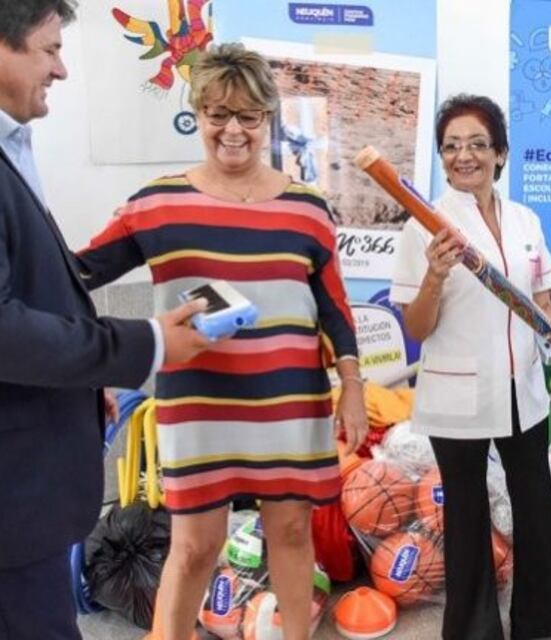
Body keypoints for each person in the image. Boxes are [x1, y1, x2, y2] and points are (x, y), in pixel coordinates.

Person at [74, 44, 369, 640]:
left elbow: (335, 309)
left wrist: (354, 386)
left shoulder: (307, 208)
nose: (232, 130)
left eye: (248, 116)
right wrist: (95, 358)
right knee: (195, 547)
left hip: (290, 403)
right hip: (199, 405)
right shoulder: (156, 204)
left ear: (268, 120)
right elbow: (75, 276)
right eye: (217, 113)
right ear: (198, 114)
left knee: (291, 534)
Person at [0, 1, 212, 638]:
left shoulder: (14, 152)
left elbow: (50, 281)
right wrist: (145, 342)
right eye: (49, 49)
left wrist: (142, 236)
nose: (62, 70)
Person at [390, 94, 551, 640]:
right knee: (467, 511)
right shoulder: (424, 226)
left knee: (533, 503)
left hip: (522, 385)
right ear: (441, 155)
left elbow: (545, 305)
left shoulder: (526, 220)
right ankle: (473, 630)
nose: (464, 156)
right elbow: (416, 327)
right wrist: (433, 275)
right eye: (452, 146)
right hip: (457, 392)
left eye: (477, 144)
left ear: (500, 154)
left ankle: (544, 616)